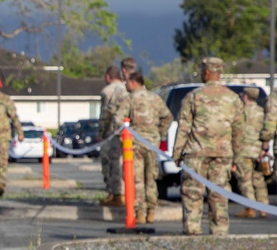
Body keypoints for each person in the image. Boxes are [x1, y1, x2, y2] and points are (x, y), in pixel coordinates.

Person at [173, 57, 244, 236]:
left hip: (196, 154)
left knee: (192, 193)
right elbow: (238, 131)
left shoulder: (194, 96)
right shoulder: (233, 98)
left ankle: (192, 229)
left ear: (206, 72)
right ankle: (219, 231)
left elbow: (184, 127)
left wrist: (177, 154)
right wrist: (237, 158)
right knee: (219, 194)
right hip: (222, 154)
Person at [113, 72, 171, 224]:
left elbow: (118, 120)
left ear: (133, 82)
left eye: (127, 82)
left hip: (135, 144)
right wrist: (159, 133)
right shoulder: (155, 98)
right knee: (151, 178)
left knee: (137, 179)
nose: (126, 86)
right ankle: (151, 211)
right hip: (152, 143)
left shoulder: (129, 99)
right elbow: (168, 116)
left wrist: (122, 135)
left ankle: (140, 212)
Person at [233, 87, 268, 219]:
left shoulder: (240, 112)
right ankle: (264, 208)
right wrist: (264, 149)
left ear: (246, 97)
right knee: (258, 179)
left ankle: (250, 208)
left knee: (245, 180)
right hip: (258, 150)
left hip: (244, 150)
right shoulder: (262, 112)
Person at [98, 64, 129, 207]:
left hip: (112, 132)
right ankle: (120, 193)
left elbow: (105, 114)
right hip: (128, 132)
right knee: (124, 164)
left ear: (108, 77)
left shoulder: (107, 91)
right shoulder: (126, 89)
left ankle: (116, 194)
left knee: (111, 164)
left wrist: (101, 132)